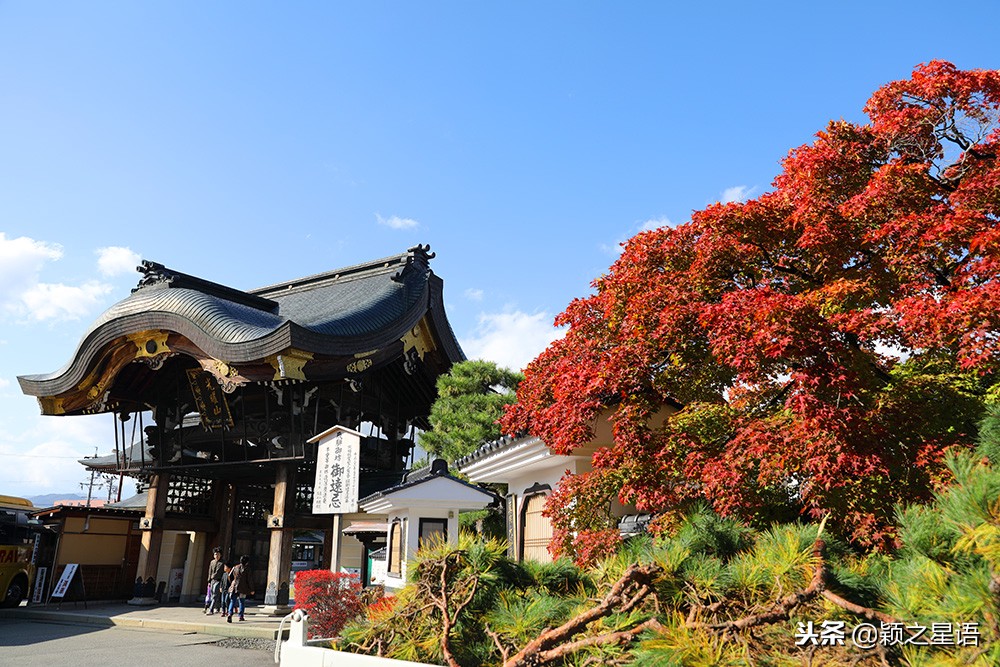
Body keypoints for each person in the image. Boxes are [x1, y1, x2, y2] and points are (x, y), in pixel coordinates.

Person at [227, 555, 254, 622]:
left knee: (232, 601)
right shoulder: (247, 569)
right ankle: (240, 616)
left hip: (234, 586)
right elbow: (249, 580)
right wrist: (252, 589)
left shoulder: (235, 567)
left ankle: (230, 614)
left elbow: (229, 576)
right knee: (241, 602)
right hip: (243, 587)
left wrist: (233, 582)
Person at [205, 547, 225, 615]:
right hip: (212, 580)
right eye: (215, 554)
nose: (217, 556)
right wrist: (209, 581)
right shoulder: (212, 562)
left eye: (218, 554)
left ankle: (211, 609)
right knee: (213, 594)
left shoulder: (222, 563)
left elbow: (223, 573)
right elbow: (210, 572)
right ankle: (217, 607)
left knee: (215, 595)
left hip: (219, 580)